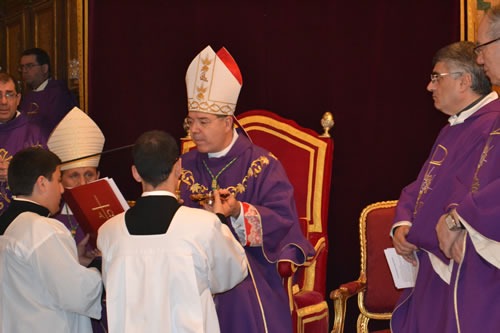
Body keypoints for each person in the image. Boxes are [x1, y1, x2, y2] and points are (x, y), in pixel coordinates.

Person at [180, 45, 315, 333]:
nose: (194, 131)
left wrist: (238, 212)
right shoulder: (181, 166)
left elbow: (283, 221)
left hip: (247, 268)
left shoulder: (263, 165)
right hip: (186, 266)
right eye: (191, 121)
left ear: (228, 122)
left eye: (203, 122)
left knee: (234, 295)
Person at [391, 41, 500, 332]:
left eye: (436, 77)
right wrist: (403, 222)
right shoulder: (454, 127)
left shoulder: (492, 124)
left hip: (463, 265)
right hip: (434, 263)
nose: (430, 87)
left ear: (464, 81)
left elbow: (472, 193)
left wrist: (420, 230)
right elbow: (424, 185)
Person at [97, 130, 247, 333]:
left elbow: (114, 288)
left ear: (135, 172)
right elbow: (232, 272)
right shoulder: (202, 225)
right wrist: (219, 219)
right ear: (178, 168)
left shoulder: (109, 232)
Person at [0, 147, 102, 332]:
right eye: (58, 180)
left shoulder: (8, 224)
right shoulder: (41, 228)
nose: (62, 189)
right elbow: (77, 293)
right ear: (42, 183)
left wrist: (73, 262)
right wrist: (102, 267)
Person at [47, 107, 107, 333]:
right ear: (60, 179)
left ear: (99, 176)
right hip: (66, 316)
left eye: (89, 174)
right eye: (74, 175)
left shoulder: (116, 215)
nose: (83, 183)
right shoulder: (51, 220)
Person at [0, 72, 46, 215]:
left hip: (21, 220)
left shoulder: (34, 134)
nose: (3, 101)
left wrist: (15, 175)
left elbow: (48, 180)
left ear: (18, 99)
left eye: (9, 94)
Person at [18, 48, 77, 137]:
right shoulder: (27, 96)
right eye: (22, 67)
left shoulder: (59, 94)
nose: (24, 71)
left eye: (29, 66)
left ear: (45, 68)